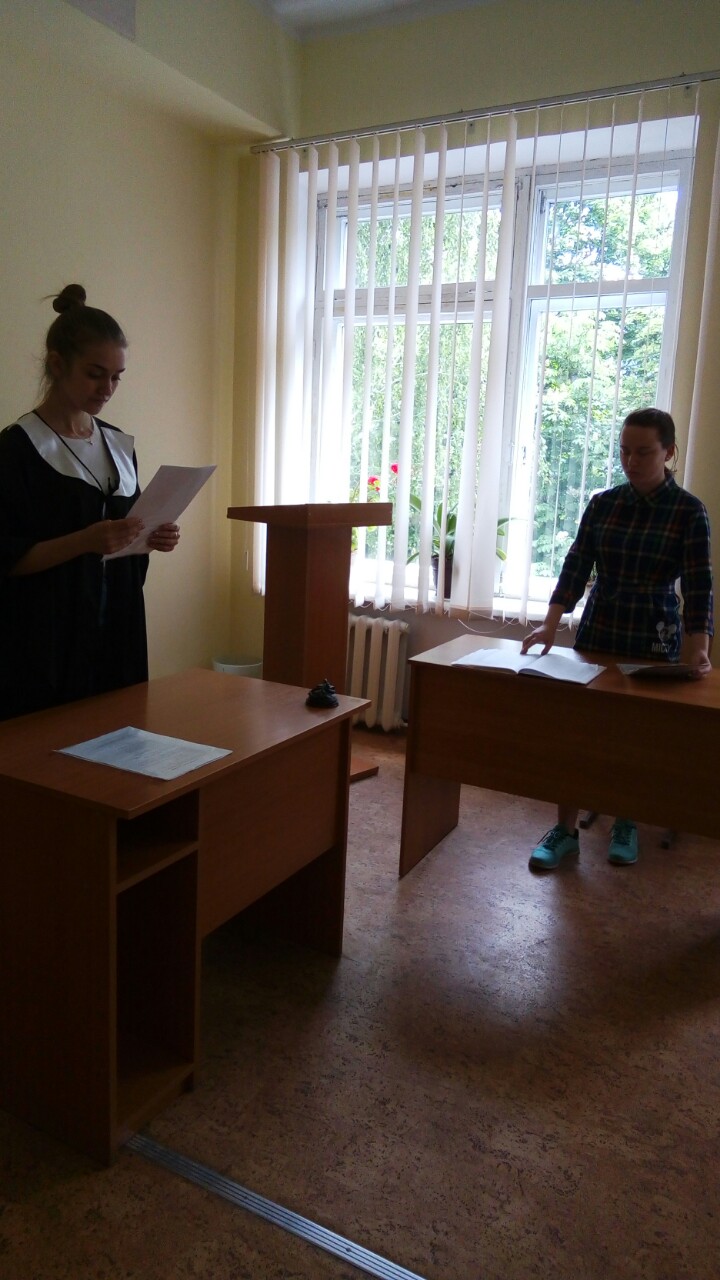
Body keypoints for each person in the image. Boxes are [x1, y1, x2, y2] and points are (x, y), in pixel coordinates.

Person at [521, 407, 713, 871]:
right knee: (579, 729)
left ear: (669, 452)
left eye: (643, 452)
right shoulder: (603, 504)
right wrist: (550, 622)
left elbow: (699, 585)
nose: (631, 461)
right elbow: (576, 564)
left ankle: (626, 822)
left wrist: (699, 647)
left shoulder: (688, 511)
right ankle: (565, 831)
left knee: (637, 735)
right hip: (601, 624)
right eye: (624, 451)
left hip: (654, 629)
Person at [0, 284, 180, 720]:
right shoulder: (17, 449)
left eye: (117, 376)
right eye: (95, 374)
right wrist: (85, 541)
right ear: (57, 365)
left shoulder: (118, 444)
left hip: (118, 633)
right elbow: (7, 559)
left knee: (121, 740)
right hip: (46, 645)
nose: (108, 388)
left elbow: (125, 542)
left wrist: (153, 537)